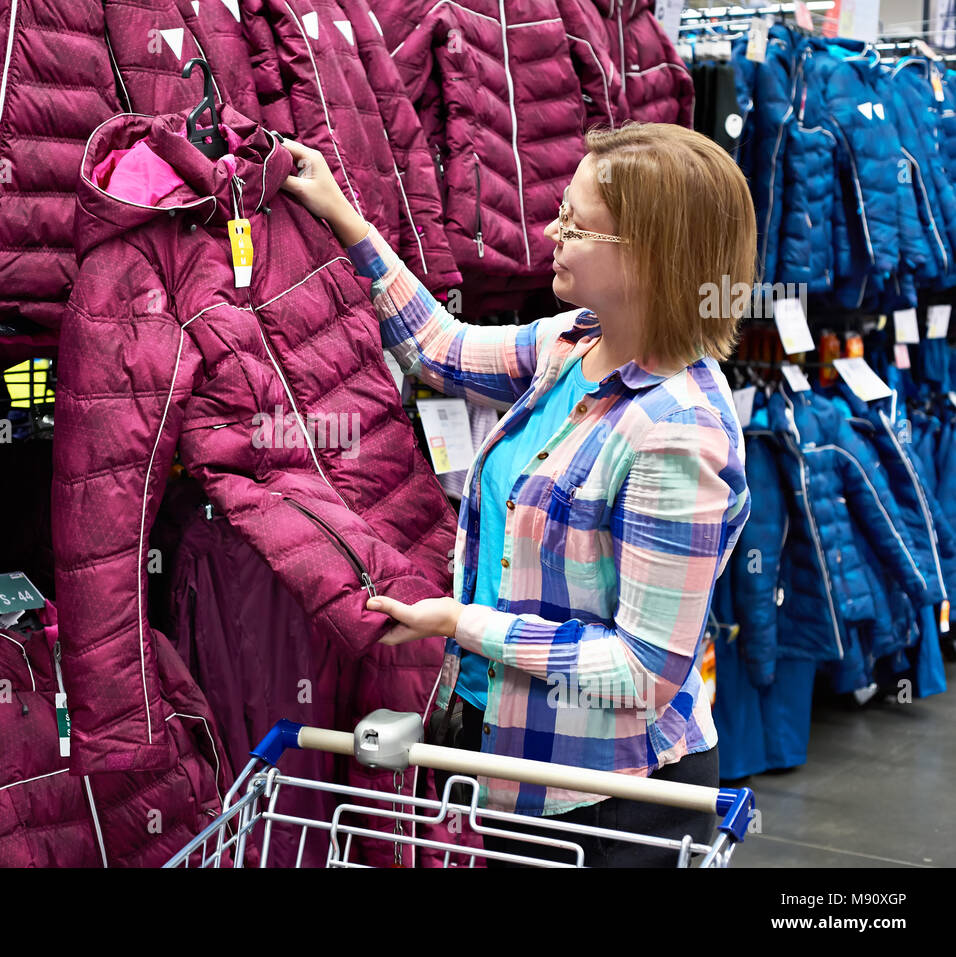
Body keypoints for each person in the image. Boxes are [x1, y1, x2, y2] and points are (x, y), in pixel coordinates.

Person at [280, 122, 754, 867]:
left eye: (576, 224)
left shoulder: (677, 434)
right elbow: (440, 347)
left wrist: (464, 623)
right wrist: (346, 218)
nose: (552, 233)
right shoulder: (575, 344)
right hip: (516, 768)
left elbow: (642, 674)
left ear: (651, 257)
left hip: (611, 798)